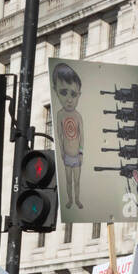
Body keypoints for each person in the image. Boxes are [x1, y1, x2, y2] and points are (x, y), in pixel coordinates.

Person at [52, 61, 84, 211]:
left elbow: (81, 135)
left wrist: (81, 153)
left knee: (77, 181)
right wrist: (62, 153)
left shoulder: (78, 116)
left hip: (76, 155)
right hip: (67, 155)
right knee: (68, 181)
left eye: (74, 94)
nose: (69, 99)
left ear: (79, 95)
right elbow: (59, 135)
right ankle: (70, 200)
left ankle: (77, 199)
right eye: (64, 93)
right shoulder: (59, 115)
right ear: (56, 91)